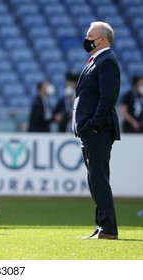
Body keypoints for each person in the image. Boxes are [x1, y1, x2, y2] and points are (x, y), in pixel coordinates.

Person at [72, 21, 120, 240]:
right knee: (95, 180)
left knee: (99, 179)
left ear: (102, 38)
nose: (87, 38)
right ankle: (102, 225)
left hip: (97, 131)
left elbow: (108, 98)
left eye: (90, 34)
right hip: (90, 131)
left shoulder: (106, 61)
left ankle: (108, 228)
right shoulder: (97, 60)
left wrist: (93, 125)